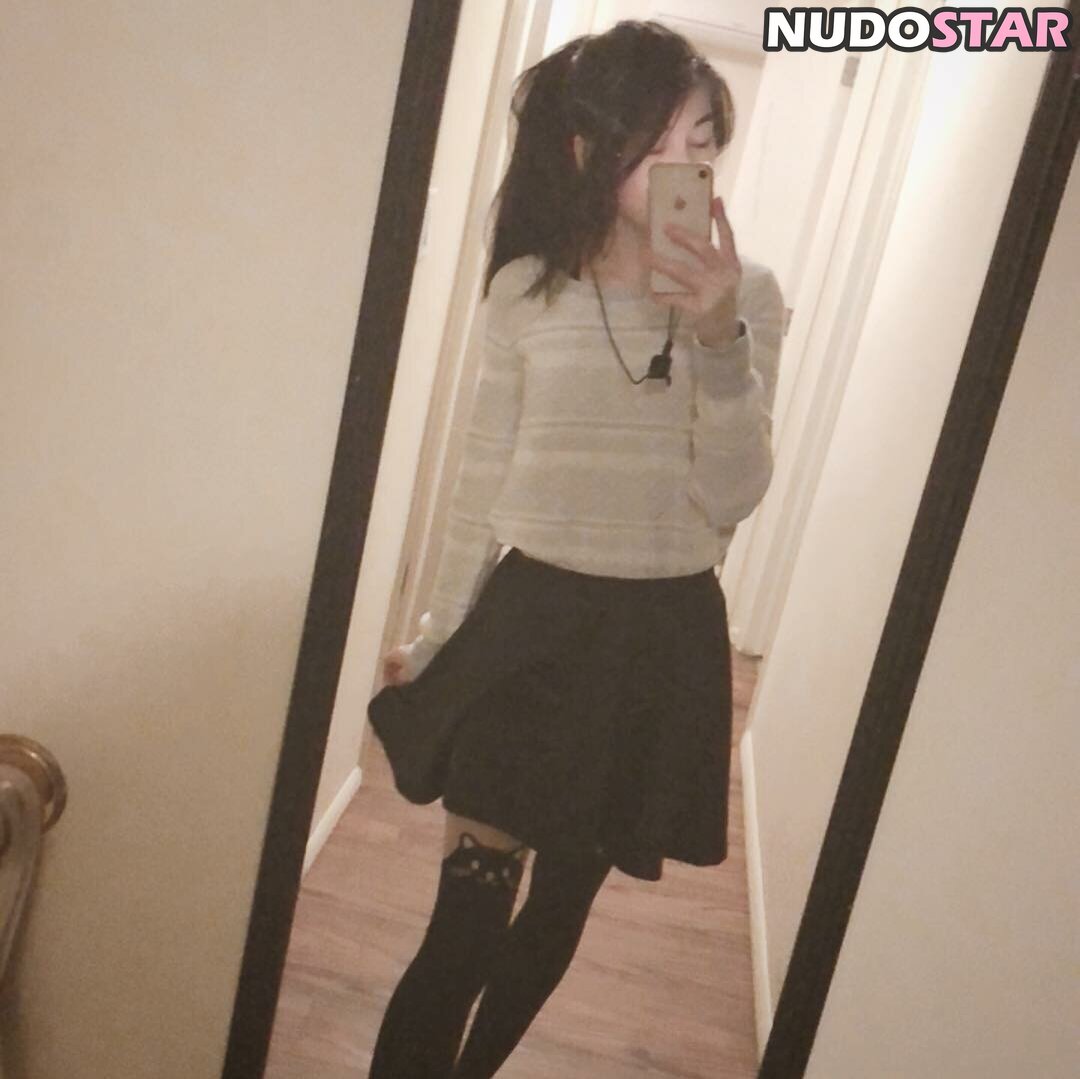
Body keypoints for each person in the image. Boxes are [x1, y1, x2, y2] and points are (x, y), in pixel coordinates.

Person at [366, 19, 784, 1078]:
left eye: (703, 143)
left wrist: (718, 340)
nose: (687, 166)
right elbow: (479, 483)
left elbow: (733, 497)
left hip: (658, 642)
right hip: (530, 629)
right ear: (588, 147)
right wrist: (438, 635)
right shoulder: (526, 293)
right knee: (462, 927)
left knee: (556, 915)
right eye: (660, 141)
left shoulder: (747, 298)